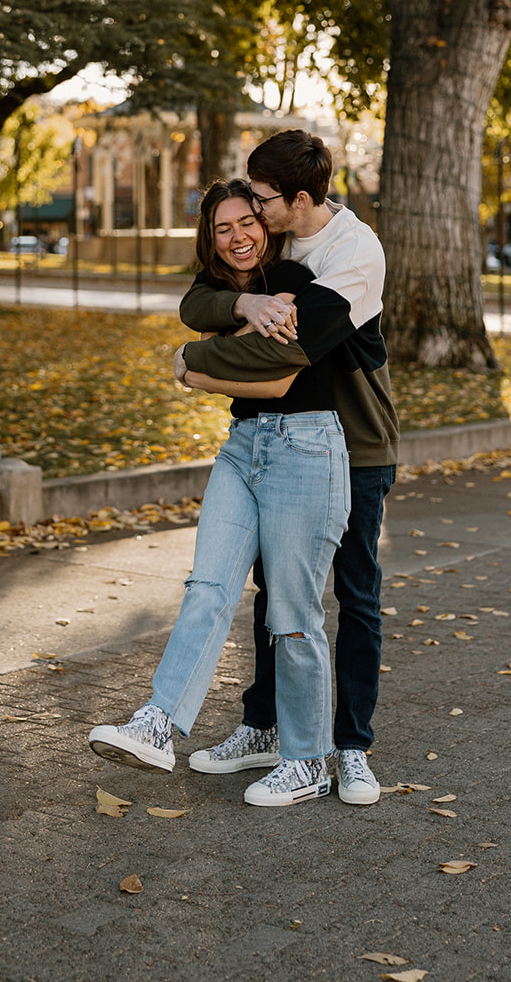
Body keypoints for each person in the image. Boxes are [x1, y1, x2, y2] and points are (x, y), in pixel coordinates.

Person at [88, 179, 352, 808]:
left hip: (305, 451)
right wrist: (232, 324)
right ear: (209, 237)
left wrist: (192, 364)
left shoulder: (295, 281)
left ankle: (308, 760)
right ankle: (158, 722)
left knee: (292, 617)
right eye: (223, 227)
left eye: (248, 222)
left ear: (268, 224)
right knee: (207, 588)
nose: (238, 236)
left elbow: (279, 381)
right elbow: (195, 305)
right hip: (242, 450)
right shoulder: (219, 292)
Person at [177, 129, 398, 807]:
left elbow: (287, 353)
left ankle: (351, 746)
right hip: (283, 442)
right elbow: (202, 295)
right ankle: (263, 726)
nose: (251, 211)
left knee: (353, 595)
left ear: (298, 200)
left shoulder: (351, 252)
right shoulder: (271, 239)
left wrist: (190, 364)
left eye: (263, 199)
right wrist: (241, 304)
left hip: (354, 445)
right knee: (274, 595)